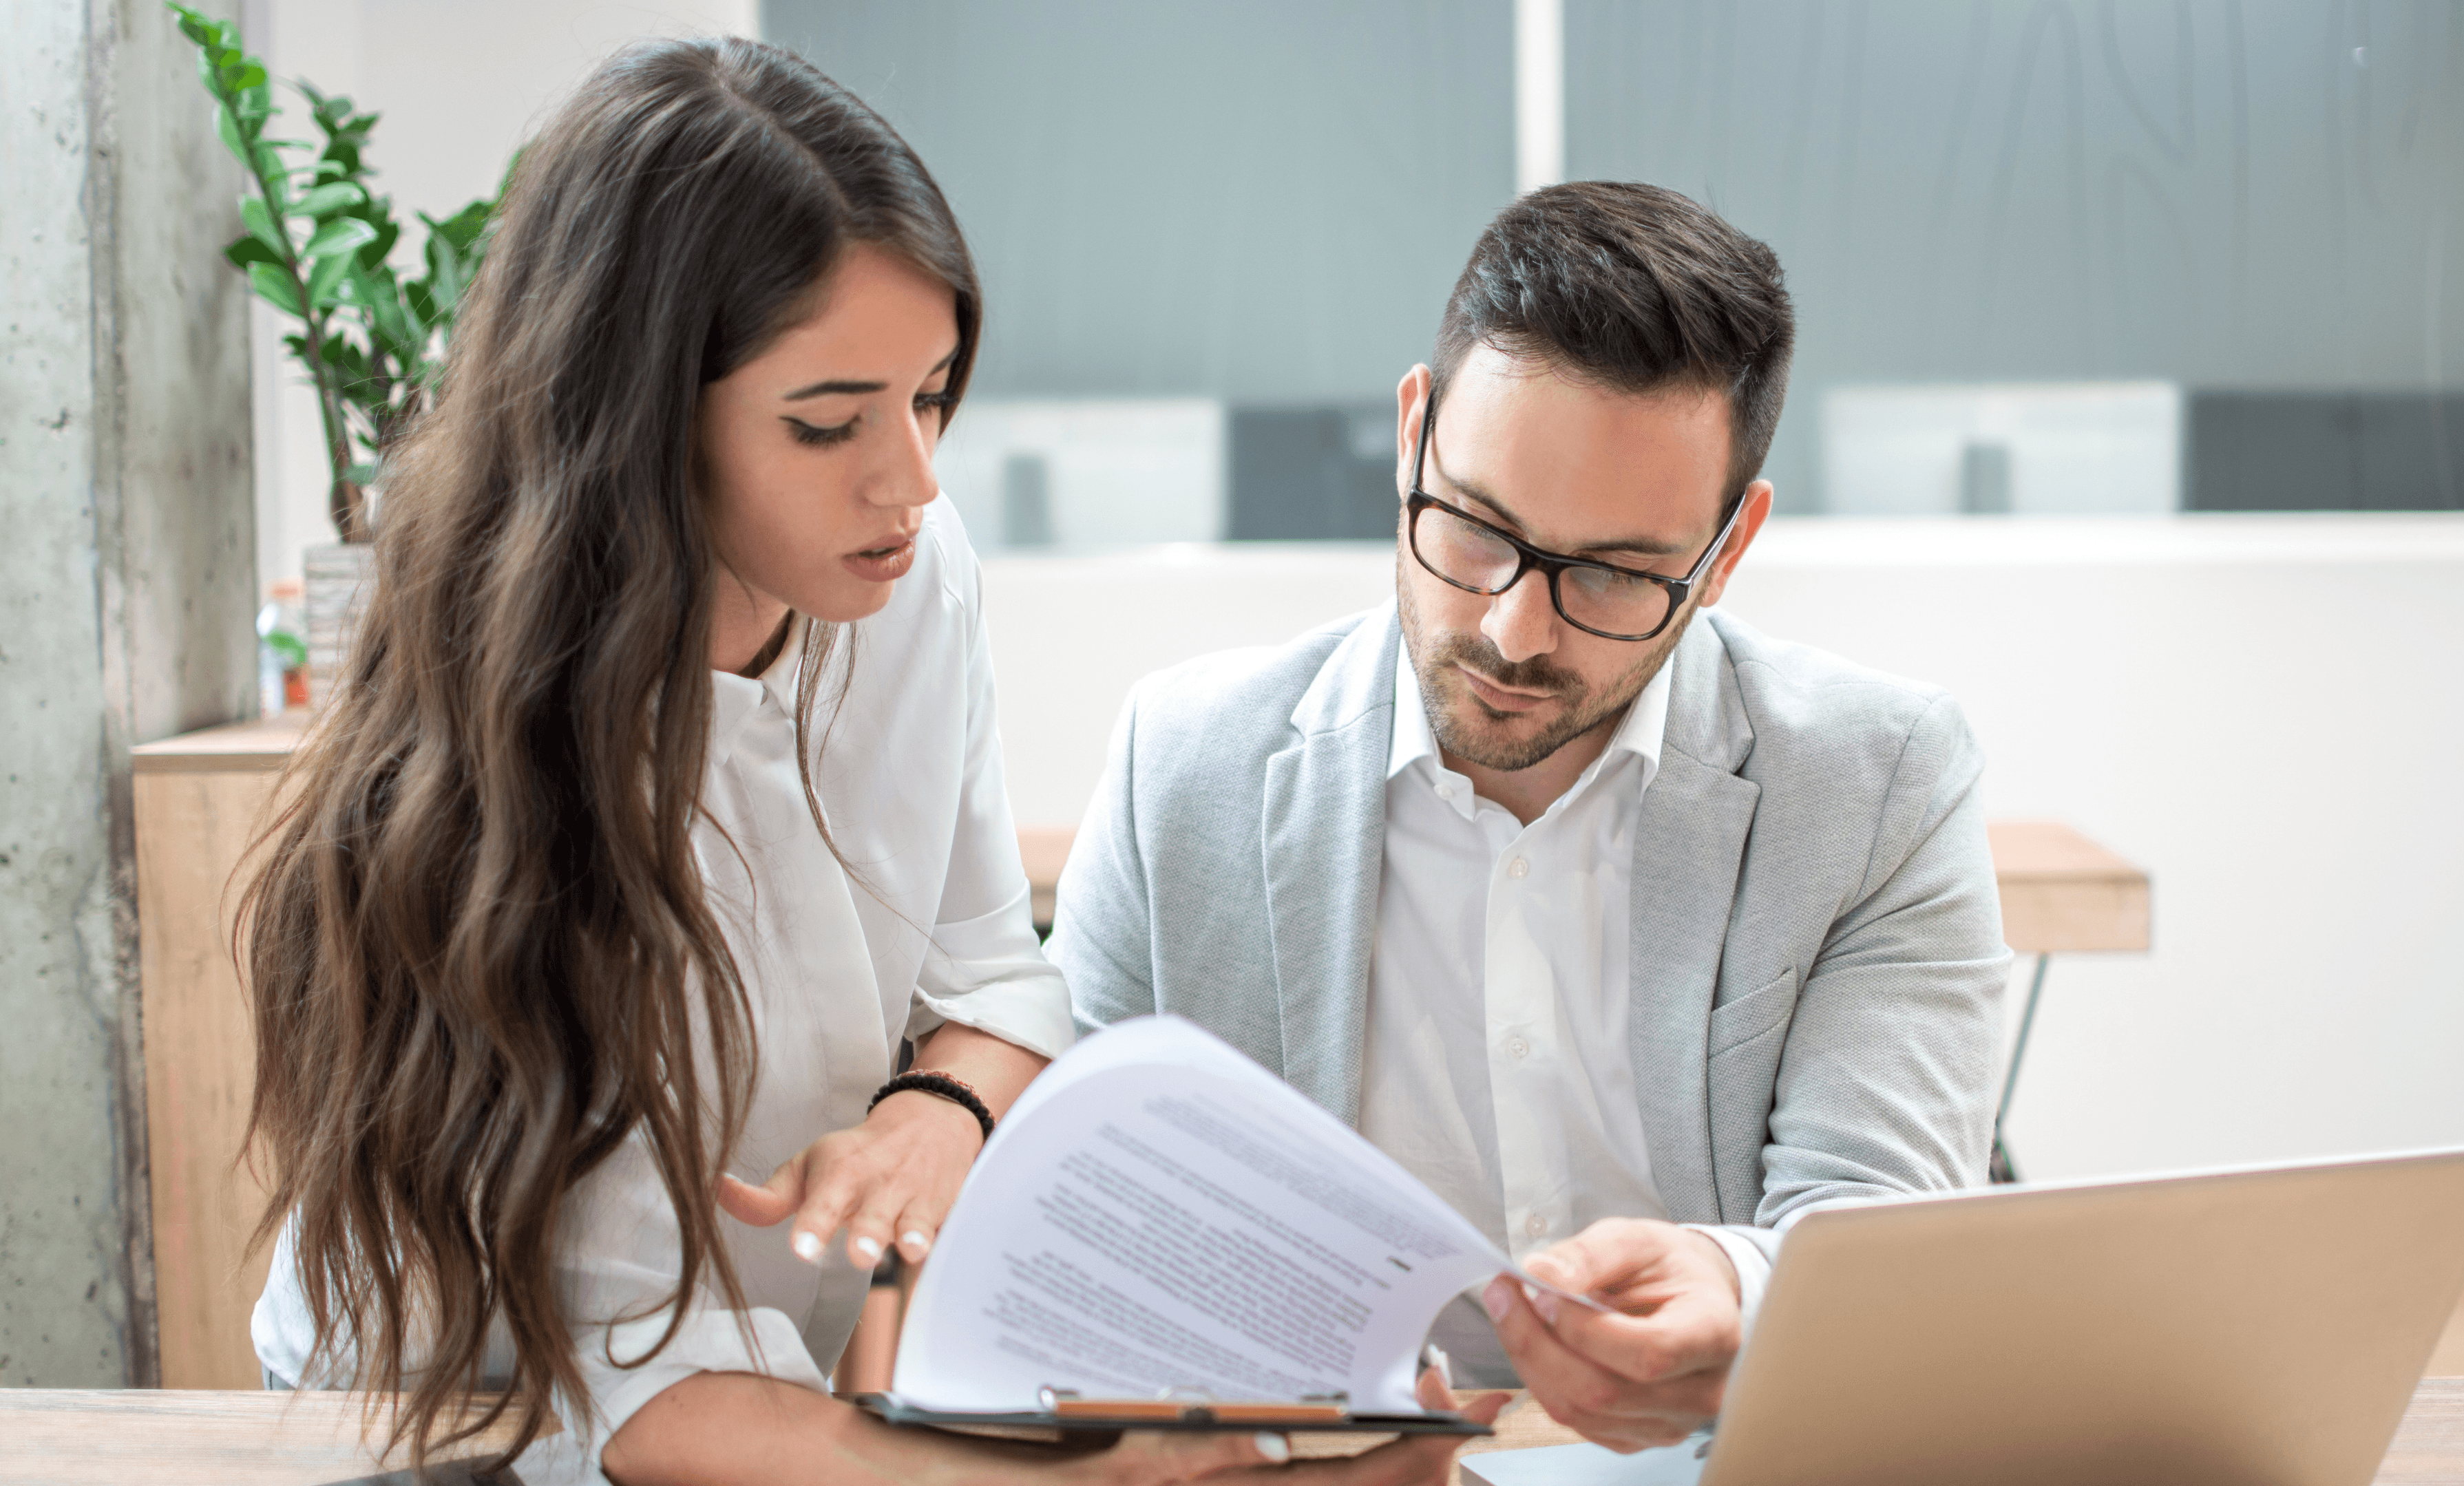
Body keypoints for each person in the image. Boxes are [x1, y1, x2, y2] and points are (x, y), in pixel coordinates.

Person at [240, 36, 1499, 1486]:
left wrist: (936, 1110)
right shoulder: (526, 770)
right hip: (458, 1411)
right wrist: (1098, 1469)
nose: (911, 480)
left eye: (934, 392)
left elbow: (988, 968)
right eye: (829, 421)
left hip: (753, 1396)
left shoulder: (906, 580)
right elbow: (631, 1382)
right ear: (640, 420)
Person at [1050, 182, 2010, 1452]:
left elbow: (1876, 1236)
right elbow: (1083, 1234)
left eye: (1613, 572)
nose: (1512, 629)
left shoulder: (1877, 782)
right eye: (1476, 527)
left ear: (1725, 552)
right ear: (1412, 437)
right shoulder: (1183, 767)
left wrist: (1739, 1290)